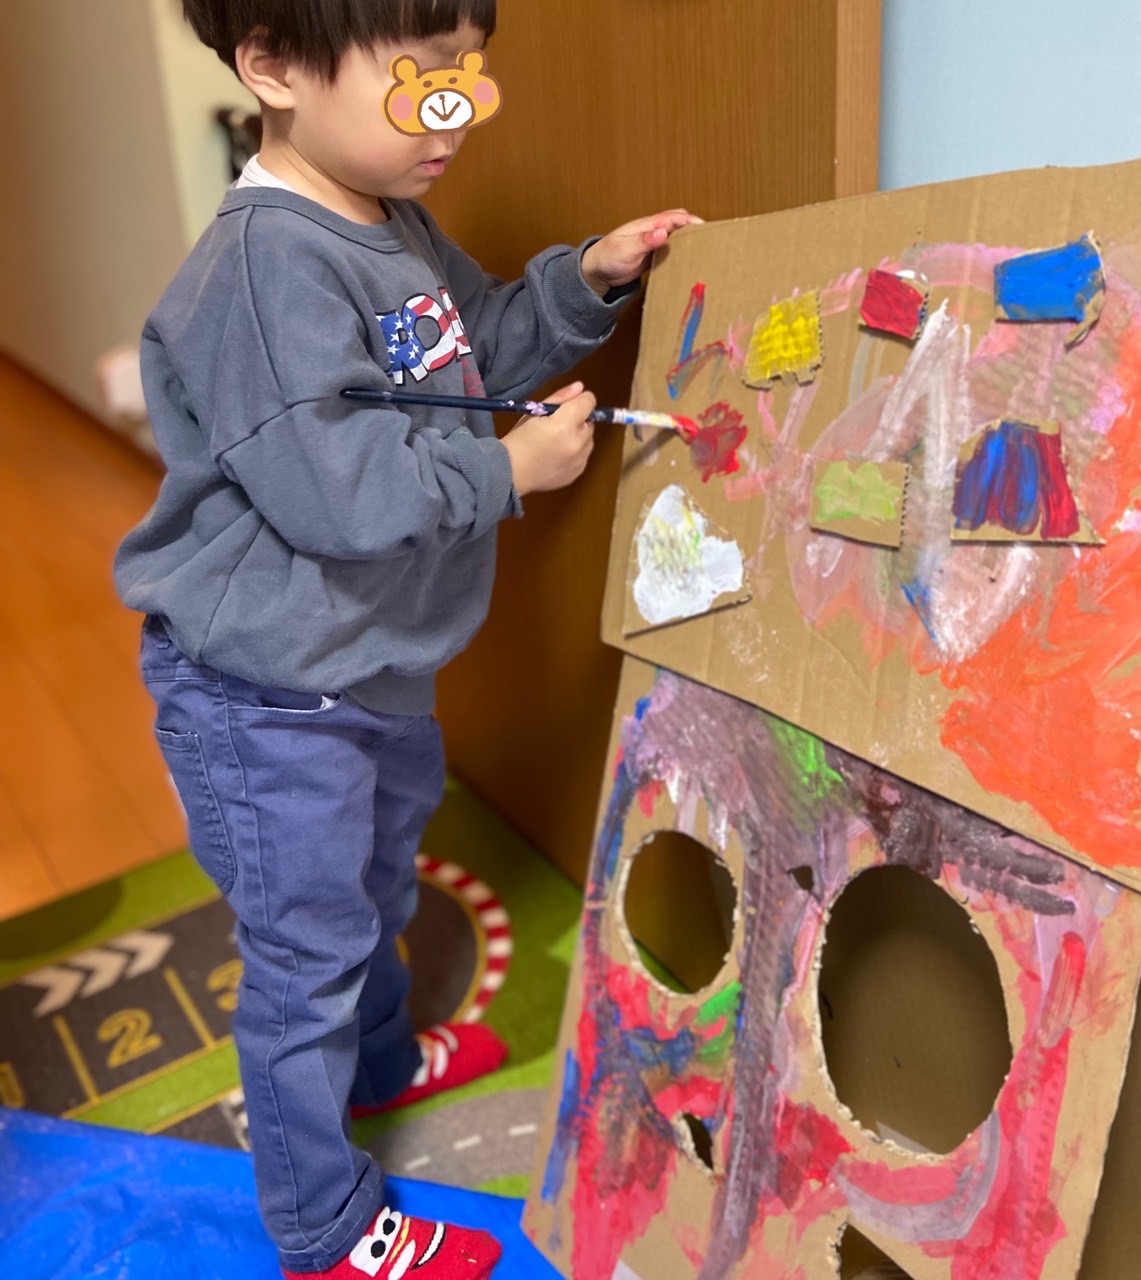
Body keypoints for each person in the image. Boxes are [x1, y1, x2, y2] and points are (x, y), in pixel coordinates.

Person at [113, 2, 699, 1275]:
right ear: (272, 65)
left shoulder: (392, 225)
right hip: (261, 693)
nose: (457, 111)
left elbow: (477, 349)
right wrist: (505, 471)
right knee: (304, 955)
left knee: (374, 887)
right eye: (418, 76)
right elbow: (335, 491)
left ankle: (377, 1063)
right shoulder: (264, 268)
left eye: (466, 74)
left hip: (367, 666)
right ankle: (321, 1225)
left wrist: (587, 279)